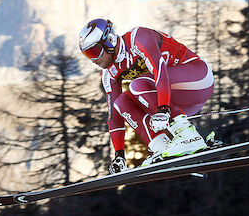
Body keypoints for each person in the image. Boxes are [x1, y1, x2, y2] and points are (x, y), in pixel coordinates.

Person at [78, 18, 216, 174]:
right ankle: (162, 147)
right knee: (122, 102)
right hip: (177, 101)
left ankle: (187, 135)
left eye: (94, 52)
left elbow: (160, 71)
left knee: (137, 85)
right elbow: (114, 115)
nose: (93, 60)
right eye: (87, 55)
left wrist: (163, 109)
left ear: (109, 41)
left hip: (199, 79)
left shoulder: (138, 38)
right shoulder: (109, 73)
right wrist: (119, 155)